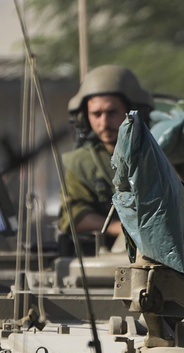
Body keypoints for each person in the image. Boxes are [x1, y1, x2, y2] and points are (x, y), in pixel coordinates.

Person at [58, 65, 154, 248]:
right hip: (105, 255)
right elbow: (73, 215)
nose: (104, 123)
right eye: (96, 114)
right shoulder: (81, 164)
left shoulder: (158, 156)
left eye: (112, 113)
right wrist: (119, 227)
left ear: (133, 111)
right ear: (84, 118)